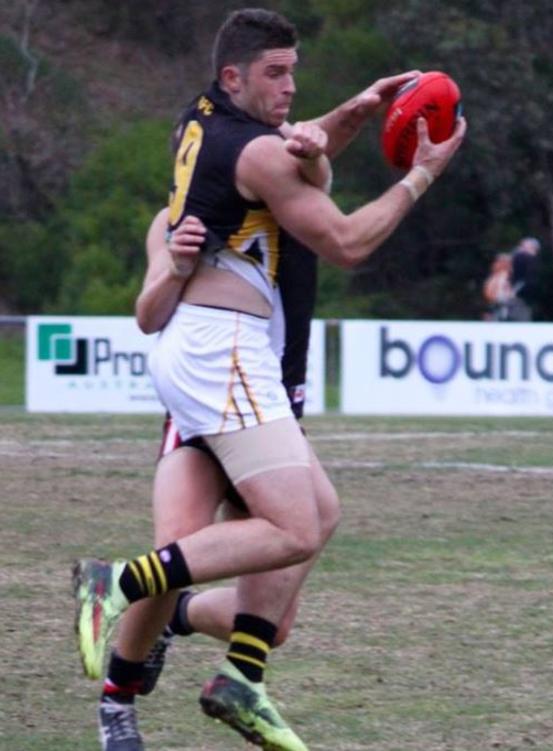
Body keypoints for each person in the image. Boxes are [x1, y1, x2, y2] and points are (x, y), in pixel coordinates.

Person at [73, 7, 466, 750]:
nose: (291, 93)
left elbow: (295, 149)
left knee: (306, 523)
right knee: (282, 529)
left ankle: (239, 675)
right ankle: (114, 619)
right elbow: (345, 237)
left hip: (247, 371)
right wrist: (423, 173)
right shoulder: (245, 178)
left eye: (295, 75)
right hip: (219, 362)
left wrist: (346, 117)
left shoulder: (211, 134)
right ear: (233, 77)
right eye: (276, 75)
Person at [99, 199, 334, 750]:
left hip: (270, 412)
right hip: (204, 413)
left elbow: (341, 225)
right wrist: (177, 268)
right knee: (175, 553)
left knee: (270, 630)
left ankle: (174, 621)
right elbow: (147, 314)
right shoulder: (182, 218)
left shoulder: (301, 209)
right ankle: (117, 701)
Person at [506, 236, 541, 321]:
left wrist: (514, 290)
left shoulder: (525, 258)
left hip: (522, 293)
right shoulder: (522, 257)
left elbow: (525, 278)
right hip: (522, 294)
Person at [482, 252, 513, 321]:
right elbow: (489, 292)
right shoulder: (496, 277)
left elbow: (508, 291)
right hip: (495, 303)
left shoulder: (504, 276)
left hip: (501, 303)